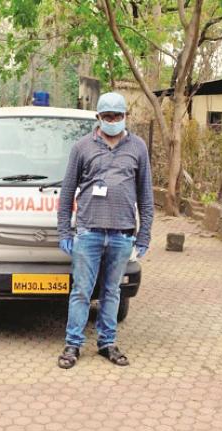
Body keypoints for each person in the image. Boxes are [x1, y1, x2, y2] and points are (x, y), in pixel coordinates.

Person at [56, 92, 154, 369]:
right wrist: (65, 231)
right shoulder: (82, 147)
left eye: (117, 116)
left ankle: (107, 343)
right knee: (81, 291)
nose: (112, 121)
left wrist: (144, 234)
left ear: (125, 117)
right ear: (98, 117)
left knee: (112, 292)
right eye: (107, 116)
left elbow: (145, 195)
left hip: (122, 235)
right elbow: (66, 193)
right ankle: (72, 344)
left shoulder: (138, 147)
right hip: (89, 232)